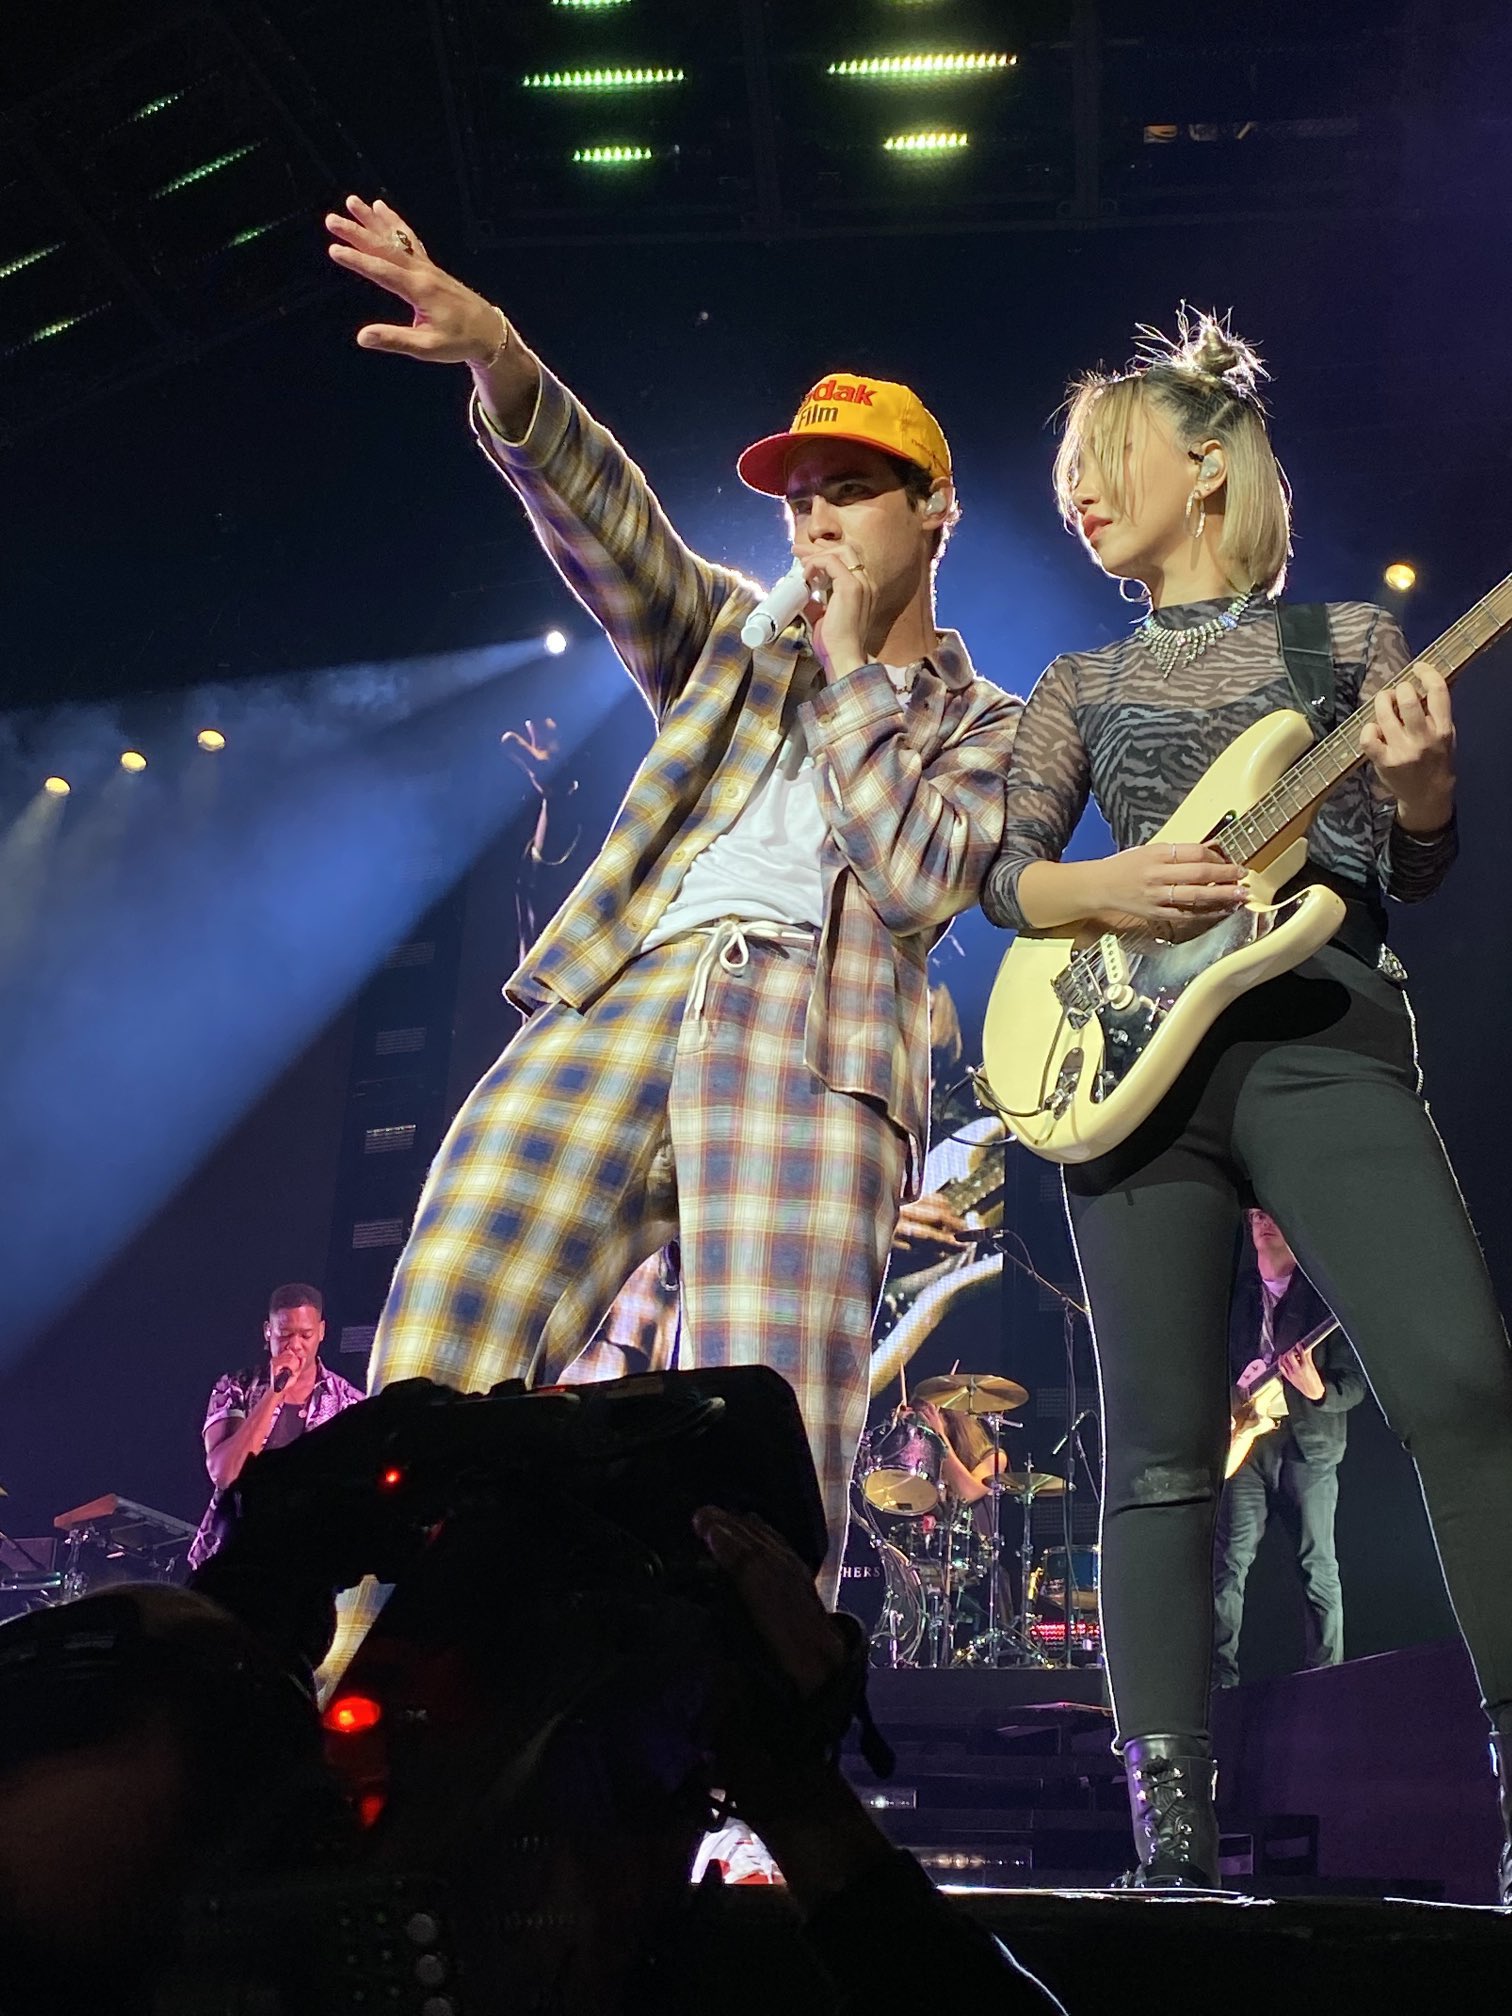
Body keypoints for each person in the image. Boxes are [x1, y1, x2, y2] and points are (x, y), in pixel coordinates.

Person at [321, 194, 1022, 1624]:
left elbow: (914, 878)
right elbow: (611, 527)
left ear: (935, 508)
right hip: (629, 990)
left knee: (758, 1453)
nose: (815, 520)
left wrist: (852, 674)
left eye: (853, 488)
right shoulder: (728, 641)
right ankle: (367, 1698)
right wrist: (502, 358)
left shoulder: (992, 724)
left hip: (814, 1043)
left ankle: (742, 1748)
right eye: (799, 498)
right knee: (432, 1356)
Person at [980, 310, 1512, 1895]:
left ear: (1208, 467)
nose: (1079, 495)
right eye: (1068, 479)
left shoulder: (1345, 645)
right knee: (1157, 1456)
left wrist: (1424, 793)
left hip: (1319, 1033)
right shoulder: (1078, 682)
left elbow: (1413, 864)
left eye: (1105, 462)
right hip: (1131, 1074)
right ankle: (1173, 1849)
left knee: (1462, 1388)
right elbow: (1004, 877)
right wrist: (1108, 886)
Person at [1212, 1209, 1367, 1689]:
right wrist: (1236, 1394)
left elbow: (1355, 1384)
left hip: (1308, 1448)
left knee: (1317, 1567)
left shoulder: (1325, 1299)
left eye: (1272, 1215)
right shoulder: (1235, 1297)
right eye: (1256, 1216)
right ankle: (1220, 1683)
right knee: (1227, 1566)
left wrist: (1316, 1389)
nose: (1263, 1222)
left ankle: (1326, 1682)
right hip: (1245, 1447)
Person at [187, 1284, 364, 1572]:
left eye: (306, 1335)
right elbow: (225, 1473)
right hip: (227, 1558)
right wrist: (274, 1393)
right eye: (285, 1334)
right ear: (268, 1331)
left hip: (303, 1567)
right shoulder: (235, 1387)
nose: (295, 1345)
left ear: (321, 1332)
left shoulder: (349, 1403)